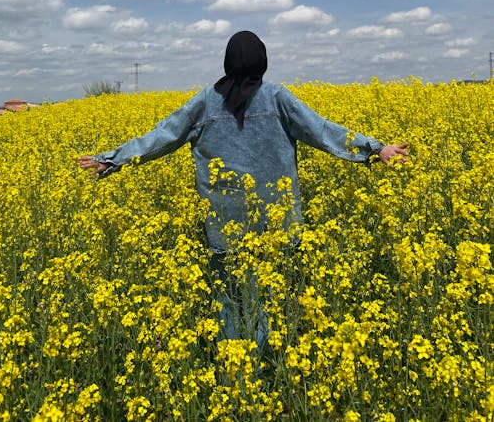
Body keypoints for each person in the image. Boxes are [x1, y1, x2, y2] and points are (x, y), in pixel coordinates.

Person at [78, 30, 409, 343]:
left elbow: (162, 136)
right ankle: (261, 380)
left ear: (227, 63)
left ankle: (235, 381)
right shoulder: (278, 98)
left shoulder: (206, 101)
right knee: (268, 301)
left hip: (225, 224)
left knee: (231, 302)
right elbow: (323, 131)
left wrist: (112, 159)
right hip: (275, 224)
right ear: (262, 62)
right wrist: (374, 149)